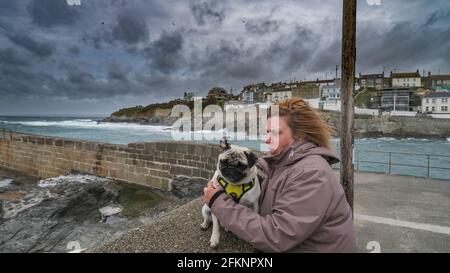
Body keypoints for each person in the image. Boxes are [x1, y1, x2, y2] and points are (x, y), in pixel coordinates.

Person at [204, 98, 357, 252]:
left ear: (300, 136)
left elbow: (278, 235)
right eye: (267, 132)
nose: (267, 139)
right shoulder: (286, 165)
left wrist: (218, 201)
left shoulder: (312, 173)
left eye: (276, 132)